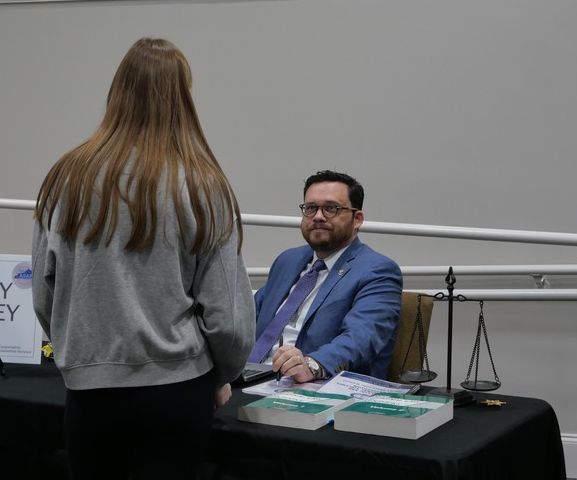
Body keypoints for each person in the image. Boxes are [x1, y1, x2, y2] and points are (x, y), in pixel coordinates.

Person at [31, 37, 254, 480]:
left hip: (90, 390)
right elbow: (228, 316)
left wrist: (82, 355)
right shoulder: (202, 184)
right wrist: (220, 374)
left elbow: (44, 292)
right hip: (178, 389)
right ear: (183, 98)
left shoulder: (64, 178)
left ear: (117, 92)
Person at [250, 170, 402, 383]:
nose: (318, 216)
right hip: (251, 378)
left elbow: (361, 338)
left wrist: (312, 365)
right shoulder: (287, 260)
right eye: (311, 208)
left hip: (315, 385)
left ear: (357, 218)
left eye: (331, 208)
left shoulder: (378, 271)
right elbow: (250, 318)